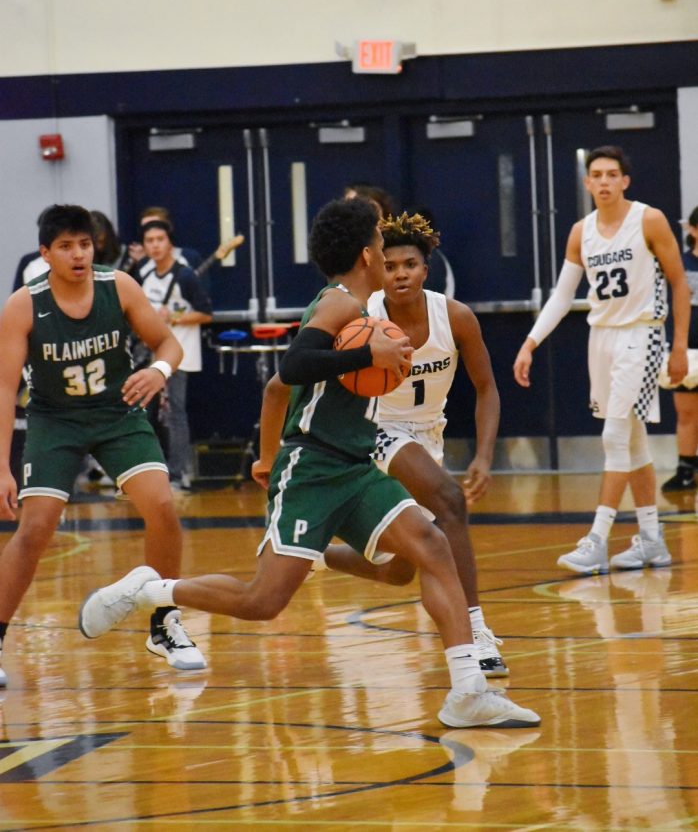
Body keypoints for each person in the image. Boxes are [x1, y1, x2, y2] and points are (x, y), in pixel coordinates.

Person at [79, 197, 540, 729]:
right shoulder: (340, 304)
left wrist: (266, 453)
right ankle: (148, 591)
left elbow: (280, 390)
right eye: (378, 240)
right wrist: (358, 367)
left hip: (357, 463)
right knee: (263, 601)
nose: (384, 249)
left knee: (431, 548)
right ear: (367, 253)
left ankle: (467, 692)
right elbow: (292, 367)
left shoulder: (370, 309)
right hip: (314, 467)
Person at [0, 204, 207, 688]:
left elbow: (168, 344)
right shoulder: (23, 305)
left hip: (117, 415)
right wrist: (2, 469)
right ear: (45, 254)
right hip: (55, 421)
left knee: (161, 506)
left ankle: (163, 624)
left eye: (86, 244)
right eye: (67, 246)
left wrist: (158, 372)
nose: (79, 254)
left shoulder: (120, 287)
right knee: (34, 531)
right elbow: (5, 390)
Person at [308, 211, 508, 676]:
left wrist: (483, 454)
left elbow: (486, 389)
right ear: (379, 267)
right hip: (374, 430)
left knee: (402, 569)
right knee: (450, 499)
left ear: (426, 268)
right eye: (391, 264)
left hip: (426, 437)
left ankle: (314, 554)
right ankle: (476, 632)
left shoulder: (454, 317)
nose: (400, 274)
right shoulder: (363, 316)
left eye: (410, 265)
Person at [513, 145, 690, 575]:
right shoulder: (581, 231)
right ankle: (651, 541)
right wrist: (530, 341)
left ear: (625, 180)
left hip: (643, 334)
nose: (606, 181)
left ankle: (597, 538)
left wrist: (679, 345)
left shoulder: (648, 219)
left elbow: (680, 282)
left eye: (613, 174)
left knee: (614, 437)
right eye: (598, 174)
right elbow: (561, 294)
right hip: (603, 339)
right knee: (633, 441)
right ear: (587, 182)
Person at [137, 220, 213, 492]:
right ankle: (150, 471)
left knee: (175, 413)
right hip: (152, 355)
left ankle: (179, 473)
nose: (155, 245)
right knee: (146, 414)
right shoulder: (144, 275)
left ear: (169, 242)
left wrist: (175, 317)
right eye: (150, 240)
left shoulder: (185, 275)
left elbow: (206, 313)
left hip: (179, 354)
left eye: (160, 239)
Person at [661, 206, 698, 492]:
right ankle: (685, 469)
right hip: (689, 350)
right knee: (686, 412)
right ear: (693, 230)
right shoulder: (680, 265)